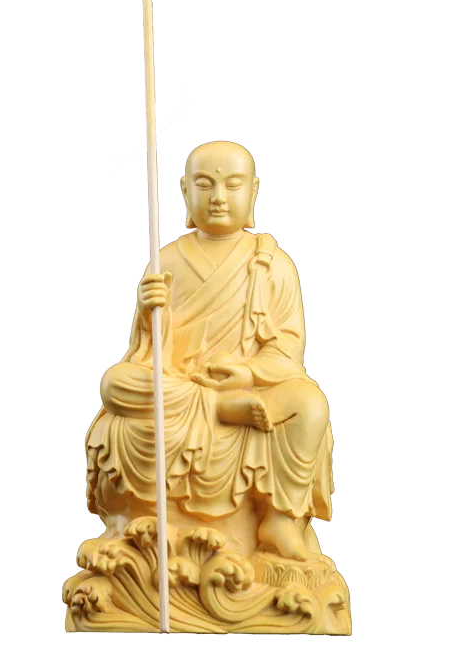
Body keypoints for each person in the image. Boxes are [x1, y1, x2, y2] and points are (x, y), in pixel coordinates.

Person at [87, 141, 333, 561]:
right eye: (205, 185)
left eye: (232, 185)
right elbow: (147, 357)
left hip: (249, 387)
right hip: (183, 387)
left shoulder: (271, 264)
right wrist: (148, 316)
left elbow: (286, 349)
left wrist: (248, 373)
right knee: (115, 385)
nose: (218, 197)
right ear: (185, 191)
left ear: (253, 191)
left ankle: (280, 520)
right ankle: (219, 409)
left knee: (310, 404)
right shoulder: (167, 262)